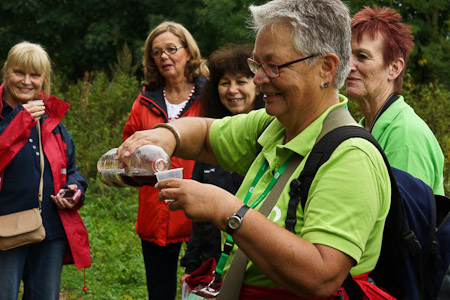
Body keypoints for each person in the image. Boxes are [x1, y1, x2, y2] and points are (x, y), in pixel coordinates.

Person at [117, 0, 392, 299]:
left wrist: (226, 210)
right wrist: (167, 135)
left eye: (273, 66)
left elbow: (321, 277)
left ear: (325, 67)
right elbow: (207, 134)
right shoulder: (274, 126)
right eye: (257, 64)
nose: (258, 79)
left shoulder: (350, 157)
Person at [122, 21, 209, 300]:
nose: (164, 57)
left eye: (171, 49)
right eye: (157, 52)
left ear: (188, 52)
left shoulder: (210, 96)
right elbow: (127, 147)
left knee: (207, 288)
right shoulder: (144, 101)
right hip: (156, 209)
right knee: (159, 293)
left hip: (204, 209)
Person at [0, 41, 90, 300]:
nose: (26, 81)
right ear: (7, 72)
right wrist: (20, 120)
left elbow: (71, 169)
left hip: (49, 228)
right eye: (19, 72)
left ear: (44, 79)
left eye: (35, 75)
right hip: (5, 228)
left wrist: (74, 189)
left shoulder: (50, 118)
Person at [179, 43, 264, 292]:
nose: (232, 90)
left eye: (241, 81)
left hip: (251, 273)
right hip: (210, 272)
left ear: (258, 86)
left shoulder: (271, 142)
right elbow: (199, 222)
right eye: (225, 82)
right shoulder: (211, 143)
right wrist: (191, 267)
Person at [346, 6, 445, 195]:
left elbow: (405, 221)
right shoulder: (363, 128)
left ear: (394, 68)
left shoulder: (406, 135)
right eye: (347, 55)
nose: (349, 66)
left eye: (362, 57)